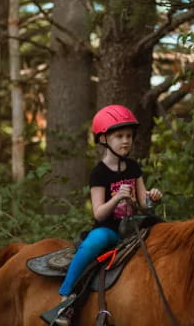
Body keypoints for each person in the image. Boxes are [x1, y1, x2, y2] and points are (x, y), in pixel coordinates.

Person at [54, 104, 163, 326]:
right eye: (119, 136)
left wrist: (152, 197)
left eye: (129, 136)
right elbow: (99, 212)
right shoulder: (99, 173)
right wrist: (116, 199)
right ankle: (65, 299)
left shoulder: (133, 168)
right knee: (95, 242)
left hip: (133, 227)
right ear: (104, 139)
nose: (126, 141)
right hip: (109, 229)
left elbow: (143, 204)